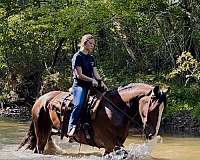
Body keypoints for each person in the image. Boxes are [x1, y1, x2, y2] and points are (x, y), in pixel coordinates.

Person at [67, 34, 107, 137]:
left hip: (91, 85)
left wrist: (101, 82)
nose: (92, 46)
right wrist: (91, 79)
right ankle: (72, 126)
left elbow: (95, 72)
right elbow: (79, 75)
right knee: (79, 104)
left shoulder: (91, 58)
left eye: (93, 44)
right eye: (90, 43)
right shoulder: (77, 56)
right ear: (84, 42)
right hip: (80, 85)